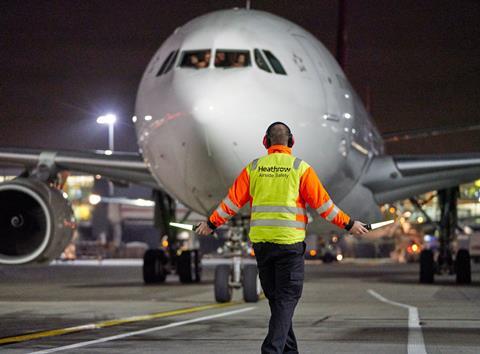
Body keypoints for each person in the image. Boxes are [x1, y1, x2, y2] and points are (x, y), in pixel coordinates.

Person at [197, 122, 368, 354]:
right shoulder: (300, 168)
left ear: (265, 142)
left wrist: (210, 223)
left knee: (278, 302)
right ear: (292, 142)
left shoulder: (254, 168)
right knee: (286, 300)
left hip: (262, 246)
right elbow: (324, 206)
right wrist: (349, 224)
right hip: (289, 245)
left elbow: (231, 203)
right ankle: (271, 350)